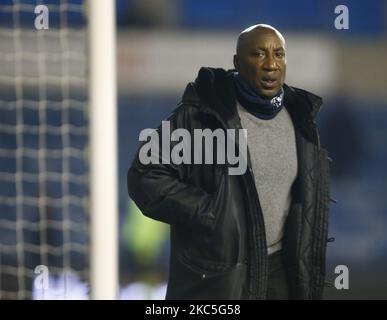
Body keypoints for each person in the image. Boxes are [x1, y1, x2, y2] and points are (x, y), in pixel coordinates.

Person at [127, 24, 331, 300]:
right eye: (258, 54)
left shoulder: (301, 118)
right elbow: (145, 176)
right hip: (221, 275)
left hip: (282, 275)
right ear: (236, 62)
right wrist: (211, 213)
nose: (271, 64)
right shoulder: (201, 115)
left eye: (279, 54)